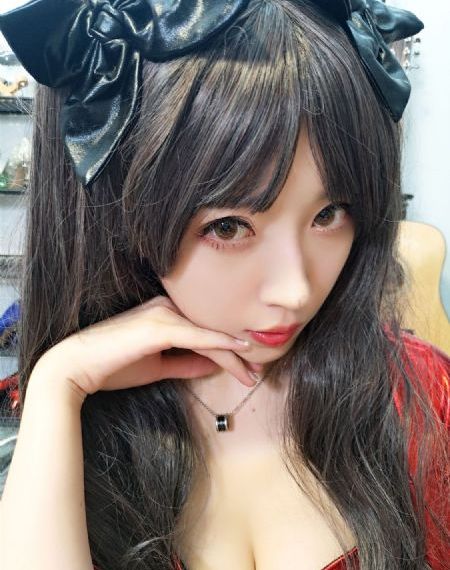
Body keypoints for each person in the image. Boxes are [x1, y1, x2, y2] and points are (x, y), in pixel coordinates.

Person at [0, 0, 448, 569]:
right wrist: (57, 385)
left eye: (329, 214)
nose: (295, 290)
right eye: (229, 227)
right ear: (120, 220)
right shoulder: (78, 424)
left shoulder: (425, 397)